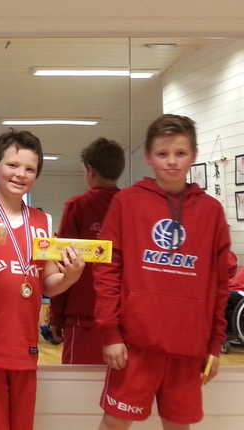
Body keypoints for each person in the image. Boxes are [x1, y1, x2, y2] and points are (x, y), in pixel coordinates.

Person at [94, 114, 230, 430]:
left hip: (189, 348)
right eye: (162, 153)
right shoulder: (127, 202)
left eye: (180, 153)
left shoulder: (211, 211)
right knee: (115, 422)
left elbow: (220, 284)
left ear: (193, 155)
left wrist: (214, 345)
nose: (171, 161)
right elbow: (106, 270)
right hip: (134, 345)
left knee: (178, 426)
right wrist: (110, 332)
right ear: (148, 157)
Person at [0, 129, 84, 430]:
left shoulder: (43, 221)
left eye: (30, 169)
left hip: (24, 351)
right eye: (12, 165)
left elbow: (47, 282)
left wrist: (70, 277)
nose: (21, 174)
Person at [48, 137, 125, 364]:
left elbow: (62, 263)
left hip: (82, 317)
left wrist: (57, 316)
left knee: (77, 383)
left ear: (90, 171)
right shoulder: (130, 207)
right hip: (122, 320)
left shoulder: (77, 206)